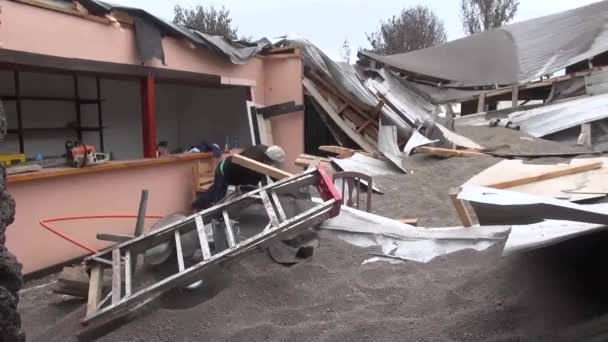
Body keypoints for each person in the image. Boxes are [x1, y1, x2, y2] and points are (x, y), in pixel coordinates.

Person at [192, 144, 285, 211]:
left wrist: (283, 185)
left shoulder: (268, 153)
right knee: (219, 195)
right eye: (273, 163)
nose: (274, 165)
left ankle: (198, 203)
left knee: (217, 189)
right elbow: (248, 187)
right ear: (267, 159)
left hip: (238, 175)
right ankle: (203, 209)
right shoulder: (251, 162)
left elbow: (274, 174)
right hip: (225, 170)